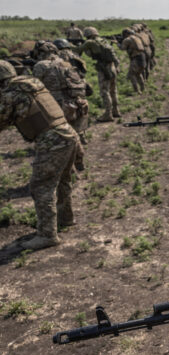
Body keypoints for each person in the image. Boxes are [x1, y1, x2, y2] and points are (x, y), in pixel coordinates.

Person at [0, 60, 80, 250]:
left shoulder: (11, 94)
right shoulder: (30, 85)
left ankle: (47, 235)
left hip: (52, 141)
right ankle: (66, 218)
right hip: (68, 134)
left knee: (41, 186)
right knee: (62, 180)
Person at [31, 42, 88, 171]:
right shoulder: (66, 63)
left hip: (58, 107)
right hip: (76, 103)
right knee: (74, 135)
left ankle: (70, 169)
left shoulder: (41, 65)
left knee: (61, 139)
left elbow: (34, 86)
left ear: (41, 53)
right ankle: (79, 160)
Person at [75, 26, 120, 122]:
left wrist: (69, 45)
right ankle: (116, 111)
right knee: (113, 90)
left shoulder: (89, 42)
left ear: (87, 34)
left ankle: (108, 114)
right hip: (112, 66)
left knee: (104, 91)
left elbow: (78, 50)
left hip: (103, 68)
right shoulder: (103, 41)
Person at [119, 28, 146, 95]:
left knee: (131, 75)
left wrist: (117, 44)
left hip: (136, 58)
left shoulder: (127, 39)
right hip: (142, 57)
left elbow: (122, 48)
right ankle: (143, 88)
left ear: (126, 34)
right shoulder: (137, 37)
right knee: (138, 73)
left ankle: (136, 90)